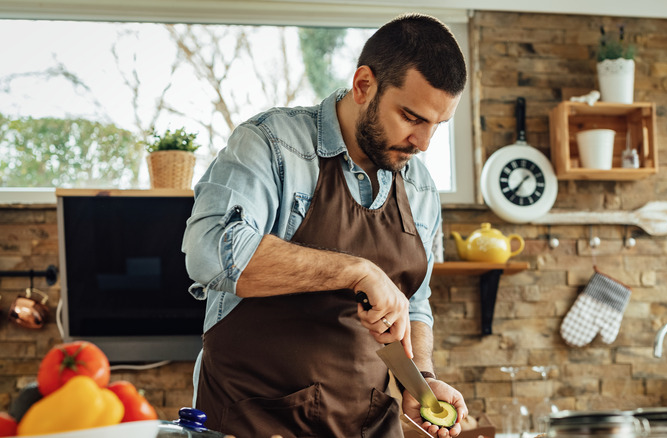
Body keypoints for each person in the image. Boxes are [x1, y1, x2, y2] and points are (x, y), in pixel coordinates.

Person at [182, 13, 468, 438]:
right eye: (411, 117)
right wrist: (356, 270)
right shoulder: (272, 143)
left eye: (436, 126)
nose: (423, 143)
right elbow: (210, 250)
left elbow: (416, 300)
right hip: (255, 421)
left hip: (366, 426)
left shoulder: (420, 185)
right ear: (363, 85)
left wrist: (419, 380)